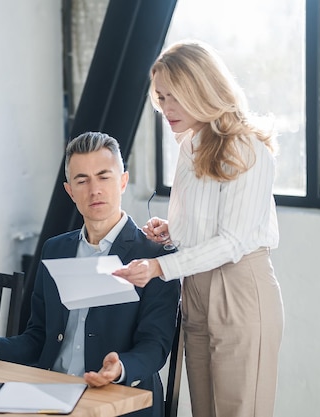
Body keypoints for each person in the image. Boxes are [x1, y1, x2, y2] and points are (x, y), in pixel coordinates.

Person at [0, 131, 181, 417]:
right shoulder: (55, 249)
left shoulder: (155, 256)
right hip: (48, 393)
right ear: (70, 191)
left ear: (122, 182)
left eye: (104, 176)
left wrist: (120, 368)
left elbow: (154, 346)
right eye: (82, 180)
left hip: (118, 401)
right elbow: (37, 337)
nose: (94, 189)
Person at [112, 40, 285, 417]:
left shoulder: (247, 148)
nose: (166, 109)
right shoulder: (190, 143)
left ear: (202, 89)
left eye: (174, 97)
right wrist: (175, 231)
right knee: (204, 410)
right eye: (160, 98)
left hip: (239, 287)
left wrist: (159, 267)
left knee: (240, 411)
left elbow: (235, 240)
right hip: (196, 286)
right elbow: (213, 222)